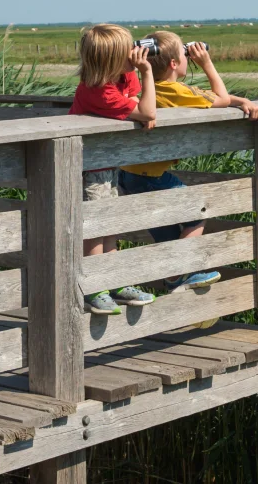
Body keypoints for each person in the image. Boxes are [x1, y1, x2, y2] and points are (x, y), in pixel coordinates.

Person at [119, 30, 258, 291]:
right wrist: (206, 63)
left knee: (168, 233)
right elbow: (220, 98)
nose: (189, 58)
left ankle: (181, 279)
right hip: (150, 177)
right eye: (185, 55)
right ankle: (178, 274)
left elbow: (214, 97)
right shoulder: (175, 91)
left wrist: (242, 101)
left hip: (129, 174)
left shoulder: (150, 88)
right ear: (174, 64)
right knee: (197, 212)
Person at [70, 23, 157, 315]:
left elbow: (137, 102)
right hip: (89, 168)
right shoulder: (98, 91)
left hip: (108, 164)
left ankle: (113, 281)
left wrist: (137, 94)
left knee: (111, 224)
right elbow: (146, 112)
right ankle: (95, 287)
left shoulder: (121, 77)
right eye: (128, 52)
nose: (135, 54)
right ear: (110, 60)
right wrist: (147, 72)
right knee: (95, 228)